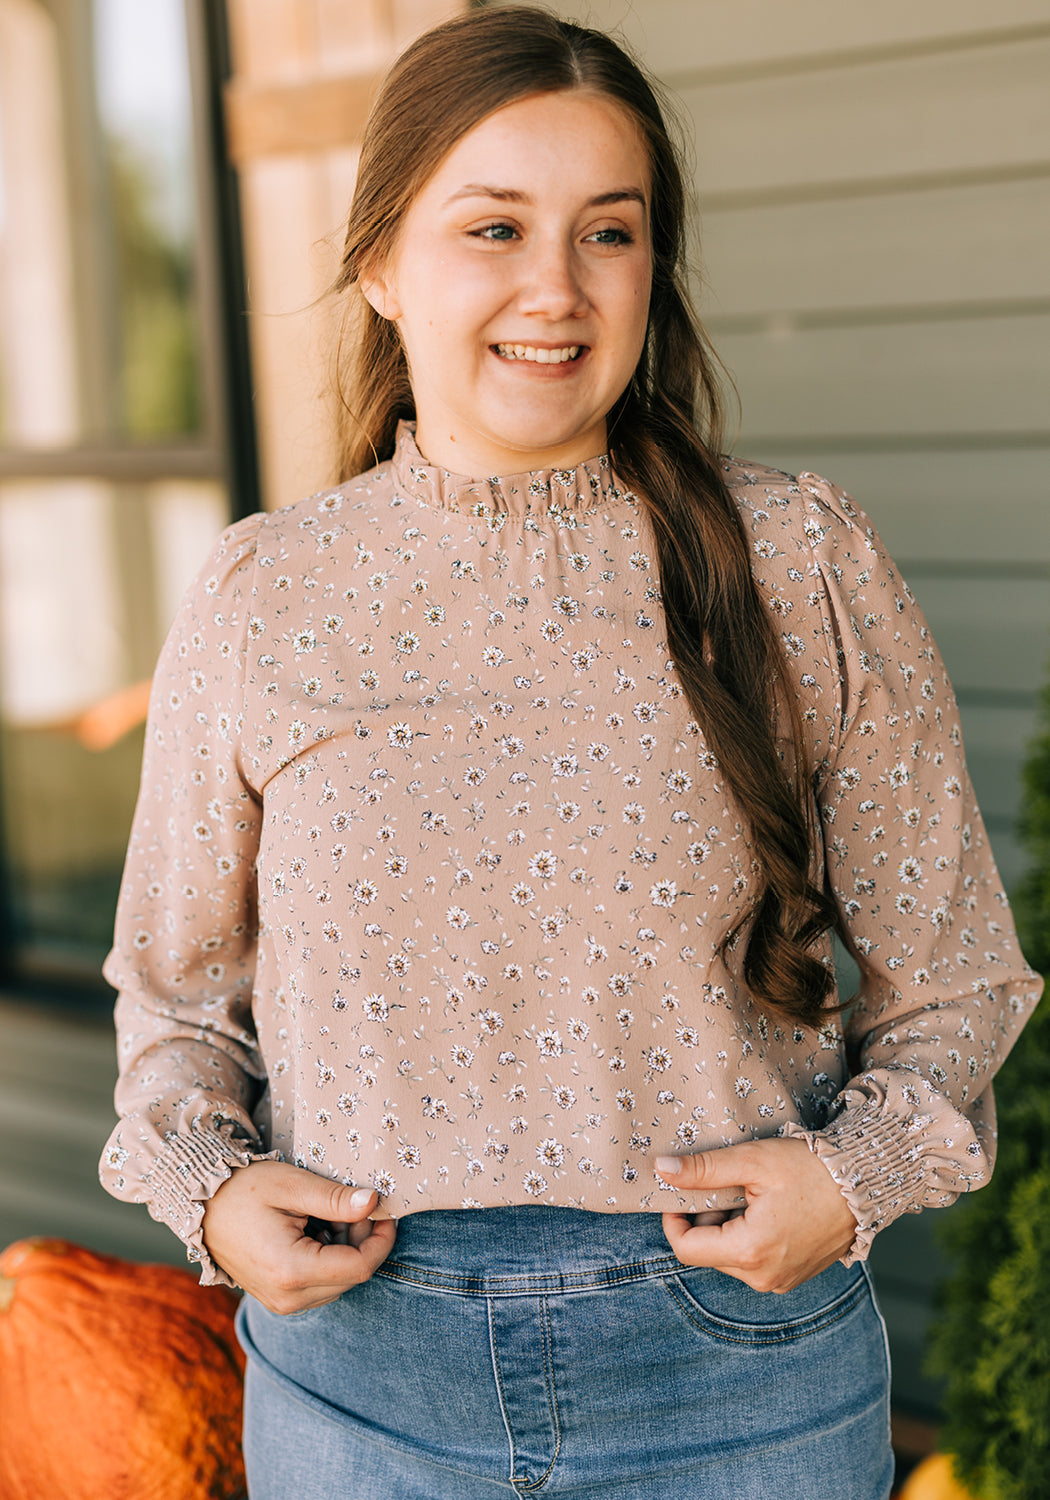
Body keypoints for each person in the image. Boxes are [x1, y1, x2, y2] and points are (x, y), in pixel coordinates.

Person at [99, 8, 1042, 1497]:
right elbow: (175, 999)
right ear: (382, 265)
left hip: (741, 1380)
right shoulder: (262, 593)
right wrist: (210, 1198)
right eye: (493, 228)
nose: (554, 287)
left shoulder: (795, 558)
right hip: (360, 1388)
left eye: (607, 232)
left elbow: (956, 975)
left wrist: (851, 1178)